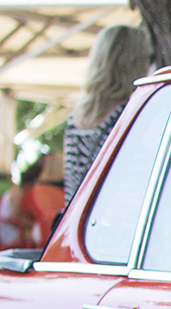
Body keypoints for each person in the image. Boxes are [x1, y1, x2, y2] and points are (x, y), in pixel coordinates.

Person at [64, 24, 153, 200]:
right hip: (121, 222)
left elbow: (71, 186)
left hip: (80, 223)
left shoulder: (76, 116)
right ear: (134, 62)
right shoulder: (132, 115)